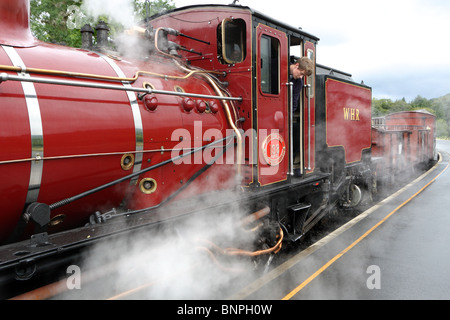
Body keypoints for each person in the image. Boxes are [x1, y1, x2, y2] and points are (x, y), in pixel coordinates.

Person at [289, 57, 314, 176]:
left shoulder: (298, 82)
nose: (300, 77)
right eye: (301, 74)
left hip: (283, 115)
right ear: (297, 65)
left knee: (297, 129)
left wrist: (288, 119)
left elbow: (294, 103)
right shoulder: (277, 67)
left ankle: (291, 164)